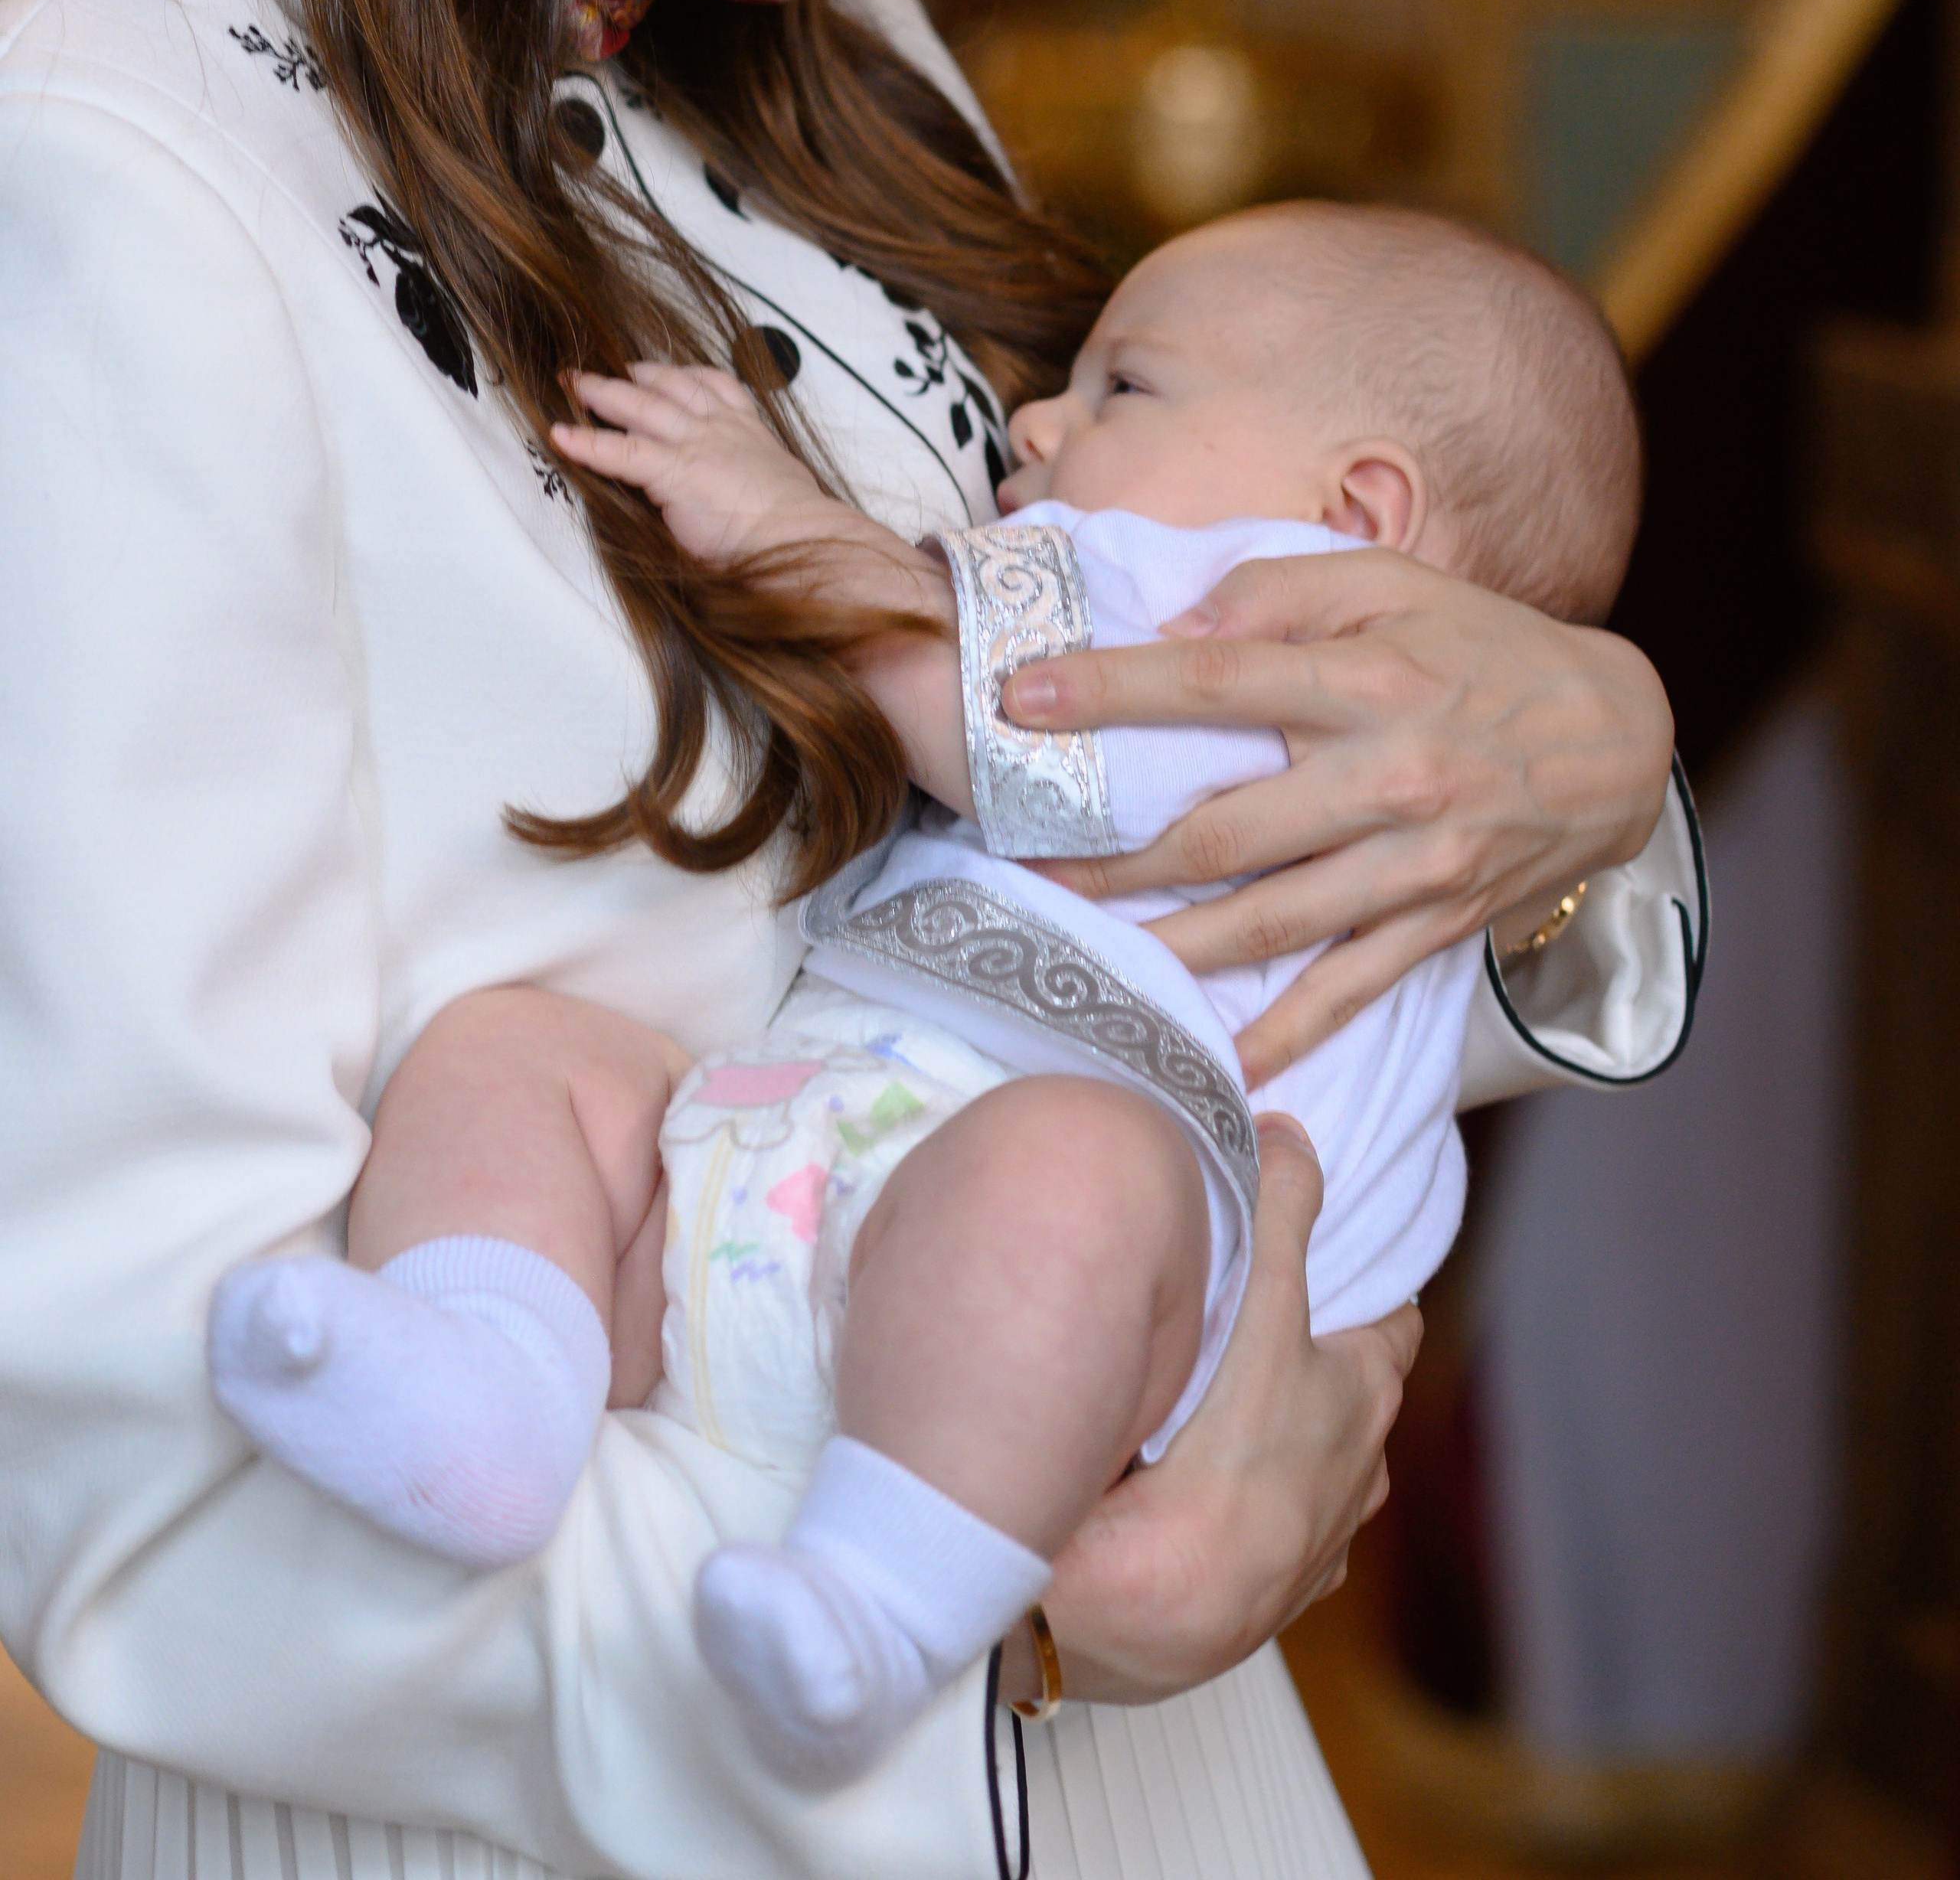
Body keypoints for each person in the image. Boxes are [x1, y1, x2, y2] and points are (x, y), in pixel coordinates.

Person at [0, 0, 1701, 1880]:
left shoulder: (823, 35)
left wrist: (1579, 765)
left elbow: (1140, 779)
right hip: (643, 1787)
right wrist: (1004, 1594)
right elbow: (132, 1443)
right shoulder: (95, 166)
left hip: (1145, 1753)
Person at [204, 199, 1646, 1797]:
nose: (1035, 418)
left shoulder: (1282, 634)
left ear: (1354, 507)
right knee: (523, 1049)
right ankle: (491, 1372)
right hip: (798, 1158)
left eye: (1125, 389)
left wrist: (770, 514)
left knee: (1063, 1170)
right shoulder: (1285, 641)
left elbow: (994, 712)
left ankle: (878, 1598)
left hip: (1057, 1299)